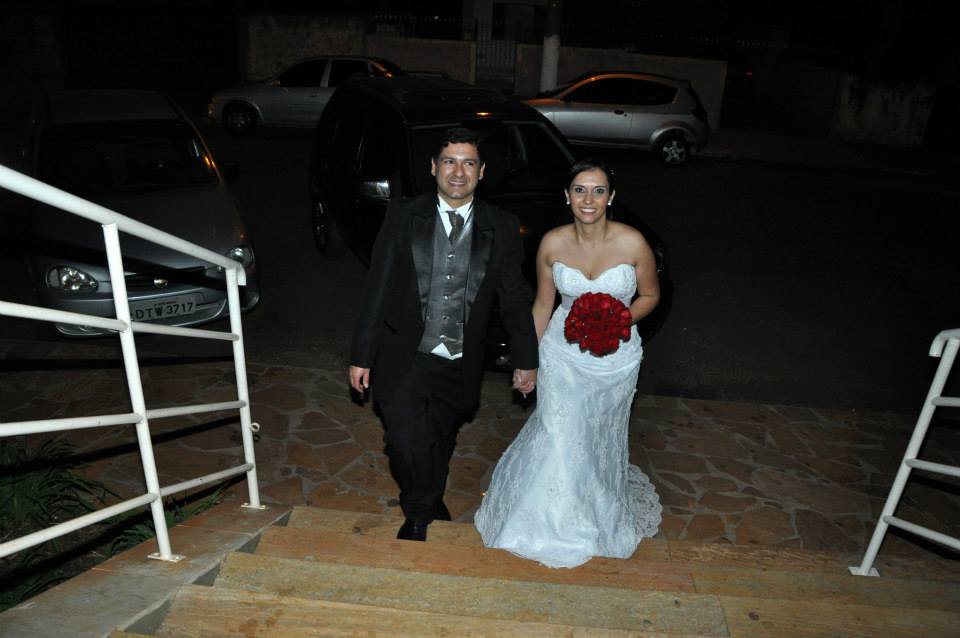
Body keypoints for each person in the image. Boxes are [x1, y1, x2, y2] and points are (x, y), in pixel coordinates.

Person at [349, 127, 539, 543]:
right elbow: (377, 287)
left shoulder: (502, 227)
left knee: (439, 439)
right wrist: (362, 354)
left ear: (481, 172)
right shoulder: (402, 215)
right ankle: (419, 510)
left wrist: (526, 359)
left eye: (469, 163)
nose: (458, 171)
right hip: (405, 355)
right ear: (434, 167)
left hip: (461, 360)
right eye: (450, 161)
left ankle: (429, 492)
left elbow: (514, 299)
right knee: (404, 440)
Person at [474, 158, 663, 568]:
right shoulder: (552, 243)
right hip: (561, 354)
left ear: (611, 197)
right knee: (559, 433)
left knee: (592, 437)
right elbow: (543, 304)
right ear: (567, 195)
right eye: (580, 190)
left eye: (598, 190)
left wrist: (618, 320)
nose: (588, 199)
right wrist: (527, 360)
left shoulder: (633, 243)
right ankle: (542, 522)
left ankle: (592, 510)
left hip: (615, 361)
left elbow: (650, 295)